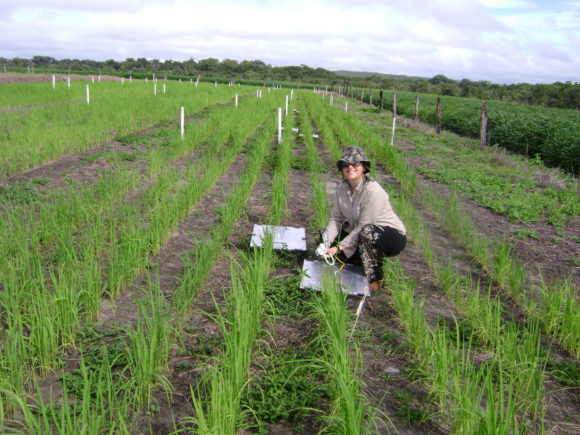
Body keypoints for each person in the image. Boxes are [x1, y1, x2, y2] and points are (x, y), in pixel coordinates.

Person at [321, 146, 406, 293]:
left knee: (367, 234)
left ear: (364, 167)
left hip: (389, 235)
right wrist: (327, 241)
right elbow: (336, 218)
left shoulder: (373, 190)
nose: (350, 167)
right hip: (361, 230)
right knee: (324, 238)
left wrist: (339, 247)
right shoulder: (342, 189)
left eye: (355, 164)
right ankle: (357, 258)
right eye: (346, 165)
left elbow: (364, 226)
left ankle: (375, 281)